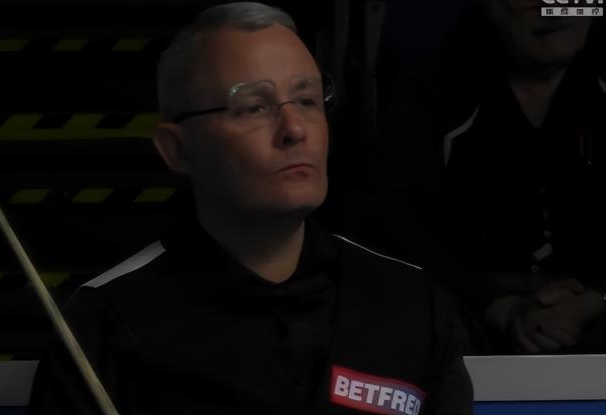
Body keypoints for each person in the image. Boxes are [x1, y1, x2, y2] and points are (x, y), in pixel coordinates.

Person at [27, 3, 473, 414]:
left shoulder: (412, 304)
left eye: (307, 100)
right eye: (254, 107)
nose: (295, 129)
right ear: (178, 149)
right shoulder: (106, 321)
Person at [434, 0, 606, 353]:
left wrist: (594, 298)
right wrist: (501, 306)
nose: (553, 9)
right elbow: (394, 234)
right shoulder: (432, 96)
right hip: (462, 320)